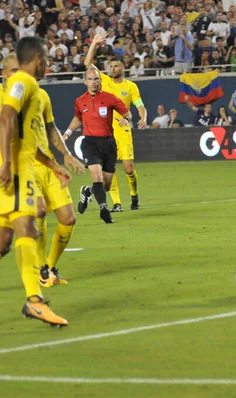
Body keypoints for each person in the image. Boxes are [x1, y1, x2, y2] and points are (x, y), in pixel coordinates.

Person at [0, 37, 71, 327]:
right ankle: (35, 301)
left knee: (4, 242)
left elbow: (28, 139)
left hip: (23, 167)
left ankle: (35, 301)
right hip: (16, 172)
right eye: (46, 60)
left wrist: (54, 164)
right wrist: (6, 162)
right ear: (38, 59)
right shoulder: (23, 82)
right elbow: (6, 119)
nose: (48, 66)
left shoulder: (35, 92)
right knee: (27, 230)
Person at [3, 54, 84, 288]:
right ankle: (41, 272)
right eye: (14, 71)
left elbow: (50, 129)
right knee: (37, 212)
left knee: (68, 219)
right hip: (22, 166)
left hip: (47, 164)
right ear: (4, 74)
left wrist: (66, 154)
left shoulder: (40, 95)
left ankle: (49, 267)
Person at [85, 32, 147, 213]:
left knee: (128, 168)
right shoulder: (104, 81)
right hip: (105, 133)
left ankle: (134, 195)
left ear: (123, 67)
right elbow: (88, 64)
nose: (112, 69)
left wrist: (143, 118)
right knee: (108, 170)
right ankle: (117, 203)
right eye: (110, 66)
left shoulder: (130, 87)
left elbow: (139, 105)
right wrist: (94, 44)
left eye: (116, 66)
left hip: (123, 131)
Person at [63, 68, 132, 224]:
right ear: (85, 81)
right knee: (97, 176)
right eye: (90, 79)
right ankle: (104, 209)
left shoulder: (110, 98)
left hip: (108, 143)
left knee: (106, 185)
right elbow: (77, 118)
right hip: (90, 143)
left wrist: (126, 120)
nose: (94, 82)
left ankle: (88, 191)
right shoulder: (80, 101)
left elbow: (127, 113)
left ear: (100, 80)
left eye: (96, 79)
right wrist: (67, 132)